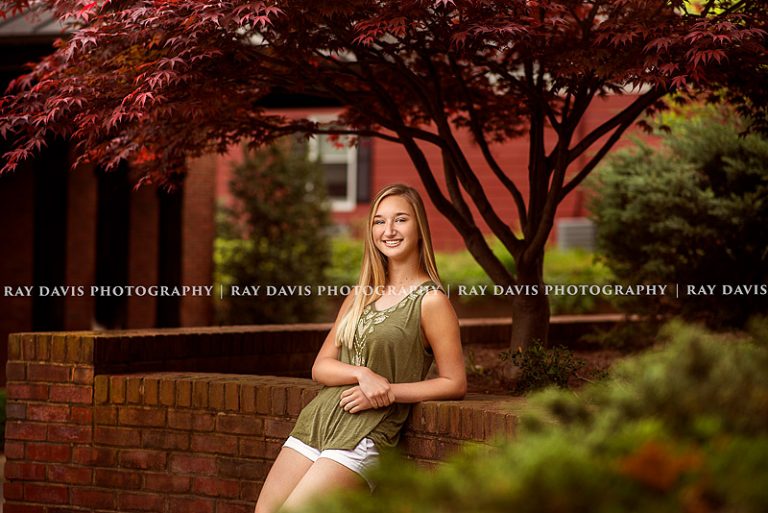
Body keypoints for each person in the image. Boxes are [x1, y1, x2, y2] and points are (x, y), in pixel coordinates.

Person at [253, 183, 467, 513]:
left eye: (400, 220)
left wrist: (388, 391)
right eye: (379, 221)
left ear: (419, 228)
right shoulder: (361, 294)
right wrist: (361, 373)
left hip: (365, 434)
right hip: (318, 421)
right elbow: (320, 367)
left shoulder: (431, 301)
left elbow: (454, 382)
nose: (389, 230)